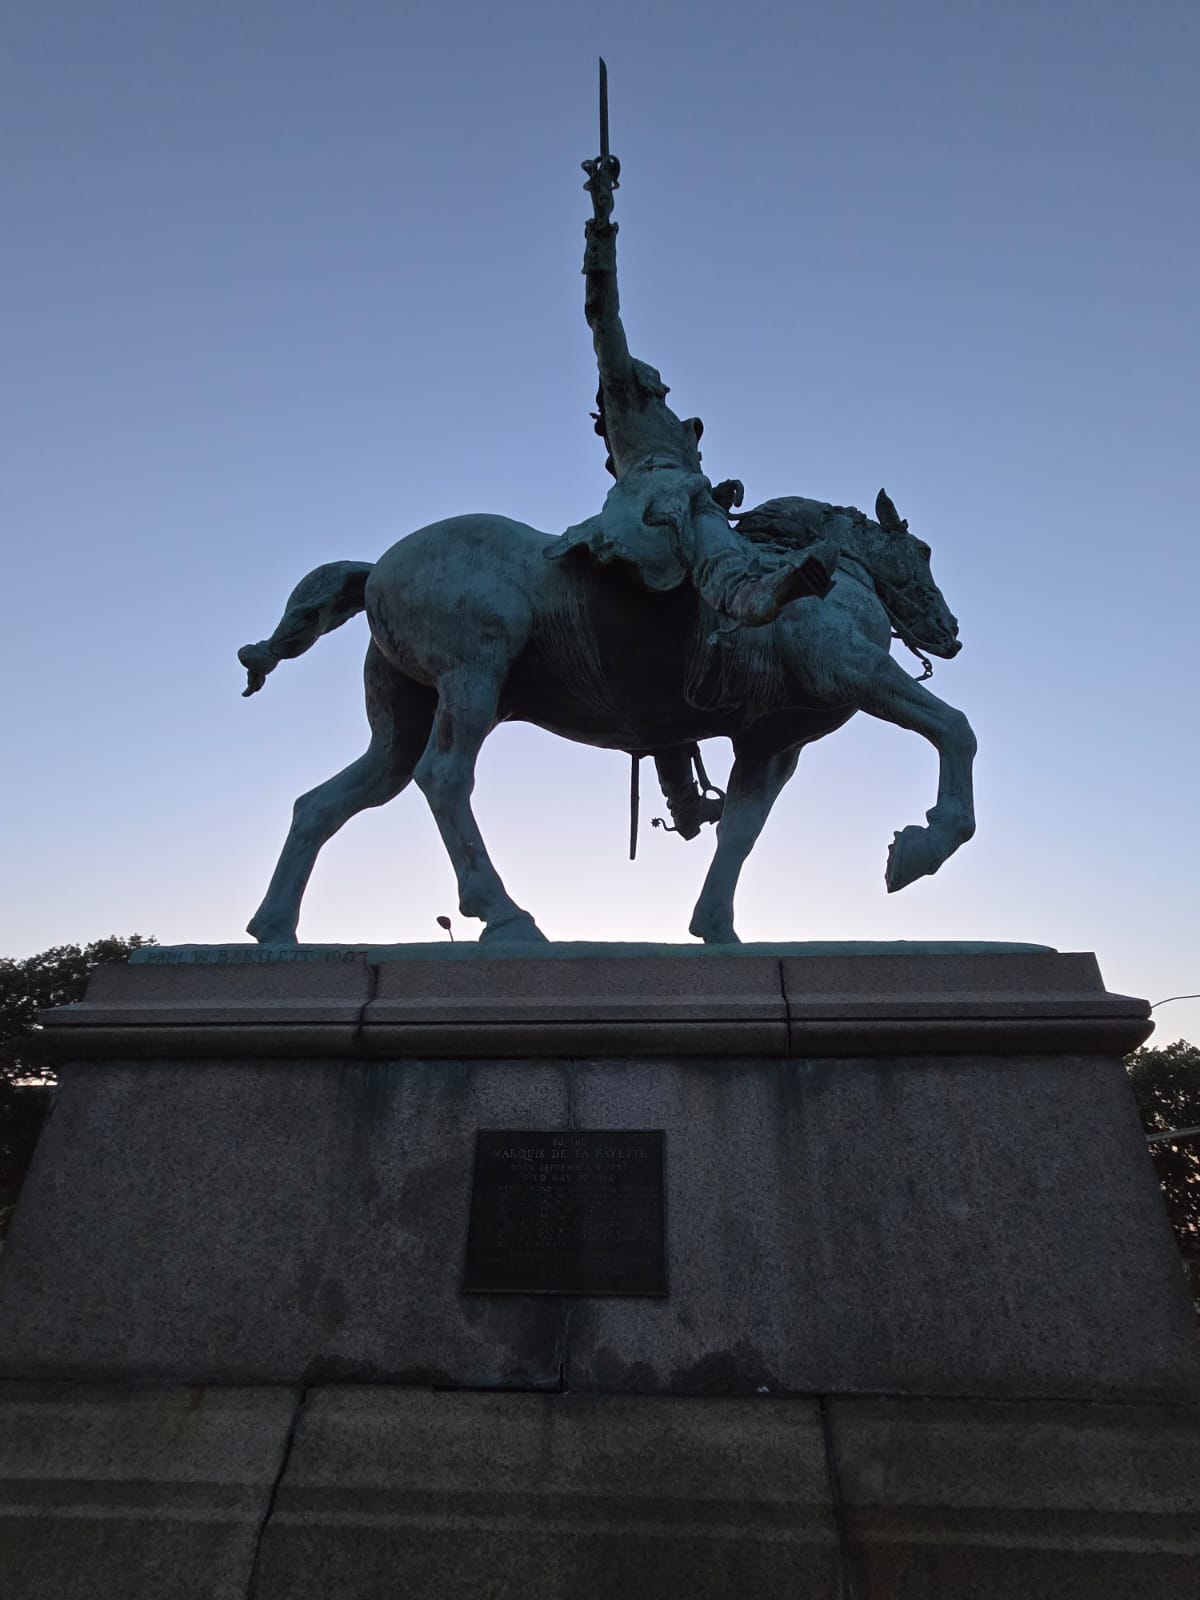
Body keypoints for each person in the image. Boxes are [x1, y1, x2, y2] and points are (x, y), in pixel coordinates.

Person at [547, 152, 838, 628]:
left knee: (706, 508)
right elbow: (603, 315)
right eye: (647, 376)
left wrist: (719, 494)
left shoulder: (667, 424)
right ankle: (746, 594)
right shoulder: (621, 392)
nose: (656, 381)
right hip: (654, 493)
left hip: (684, 491)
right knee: (698, 511)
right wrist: (601, 222)